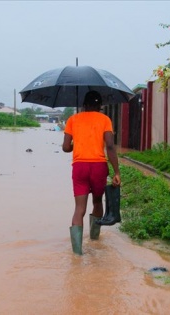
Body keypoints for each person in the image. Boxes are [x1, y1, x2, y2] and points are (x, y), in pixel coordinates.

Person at [62, 90, 121, 255]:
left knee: (79, 208)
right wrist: (116, 172)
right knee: (97, 202)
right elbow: (110, 146)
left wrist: (78, 144)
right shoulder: (105, 120)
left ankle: (77, 253)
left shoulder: (72, 120)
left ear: (84, 105)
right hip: (98, 167)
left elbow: (66, 147)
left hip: (79, 167)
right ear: (100, 106)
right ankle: (94, 240)